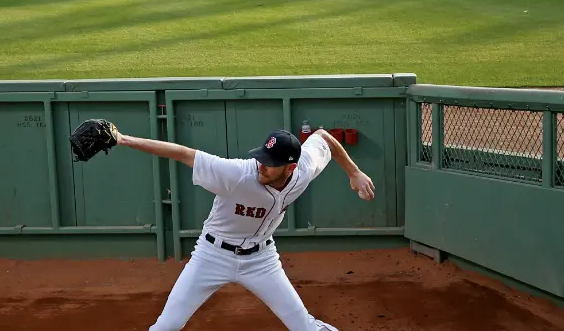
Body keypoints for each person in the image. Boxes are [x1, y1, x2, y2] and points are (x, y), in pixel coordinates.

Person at [113, 126, 376, 331]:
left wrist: (354, 172)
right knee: (168, 325)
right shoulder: (237, 174)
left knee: (303, 325)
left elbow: (322, 137)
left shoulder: (304, 169)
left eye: (270, 162)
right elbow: (183, 153)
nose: (261, 164)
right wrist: (123, 139)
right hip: (211, 256)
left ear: (291, 167)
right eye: (262, 157)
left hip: (262, 261)